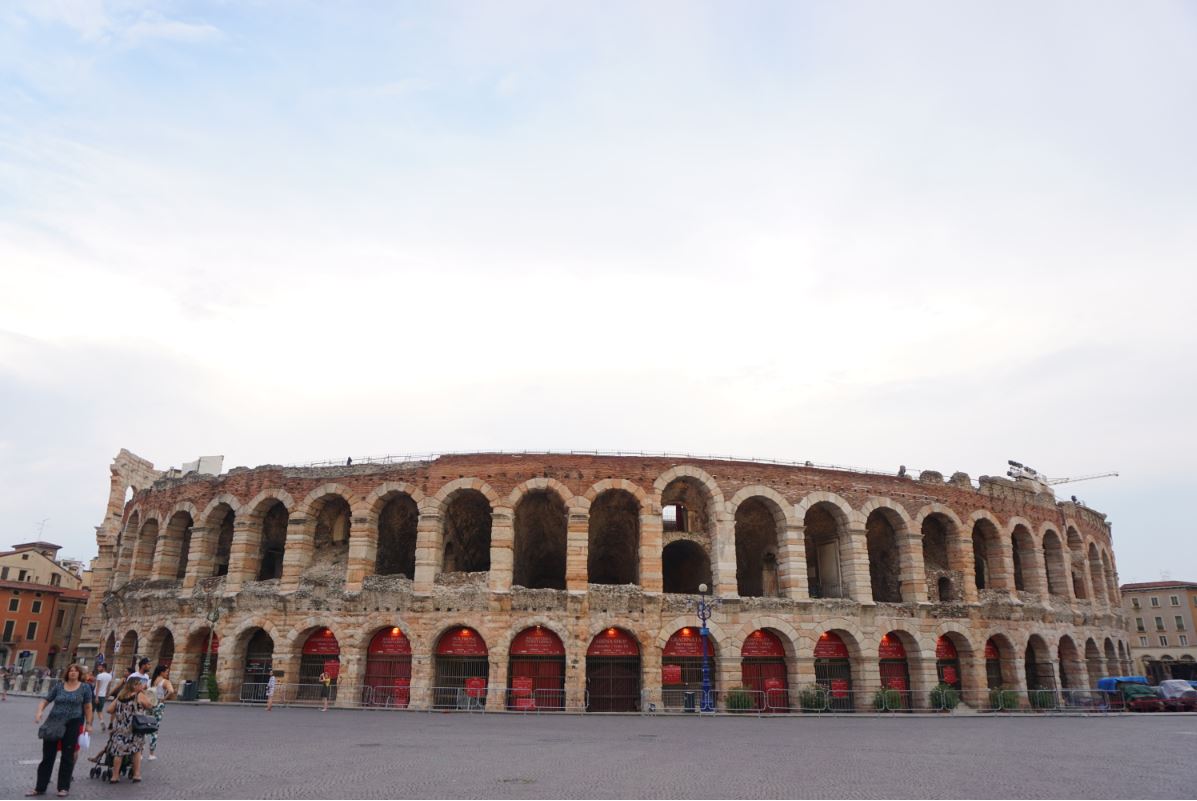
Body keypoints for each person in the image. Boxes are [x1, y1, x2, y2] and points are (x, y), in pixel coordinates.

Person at [28, 663, 93, 798]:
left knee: (67, 755)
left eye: (75, 671)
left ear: (80, 674)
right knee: (47, 756)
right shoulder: (58, 686)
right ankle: (40, 787)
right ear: (67, 673)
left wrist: (89, 724)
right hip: (54, 722)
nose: (73, 673)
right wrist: (39, 712)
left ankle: (63, 787)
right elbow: (45, 700)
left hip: (73, 723)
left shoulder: (85, 688)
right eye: (70, 671)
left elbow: (87, 707)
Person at [105, 676, 153, 784]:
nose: (142, 686)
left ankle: (115, 776)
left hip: (121, 728)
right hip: (135, 728)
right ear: (135, 685)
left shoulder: (120, 696)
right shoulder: (139, 695)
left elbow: (109, 710)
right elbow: (150, 705)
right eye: (140, 684)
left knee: (119, 752)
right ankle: (136, 774)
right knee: (136, 751)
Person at [146, 665, 175, 760]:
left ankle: (140, 752)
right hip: (158, 705)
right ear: (161, 672)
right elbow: (171, 691)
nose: (167, 673)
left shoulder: (150, 681)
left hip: (149, 704)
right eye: (166, 672)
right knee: (154, 729)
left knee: (144, 727)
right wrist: (164, 699)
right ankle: (151, 753)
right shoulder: (165, 682)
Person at [93, 665, 113, 731]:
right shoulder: (110, 676)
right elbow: (108, 687)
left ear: (103, 668)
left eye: (99, 667)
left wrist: (96, 697)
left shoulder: (99, 676)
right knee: (100, 710)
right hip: (103, 695)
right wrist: (107, 695)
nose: (98, 668)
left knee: (91, 711)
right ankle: (102, 722)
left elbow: (97, 687)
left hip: (96, 695)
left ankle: (89, 724)